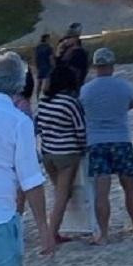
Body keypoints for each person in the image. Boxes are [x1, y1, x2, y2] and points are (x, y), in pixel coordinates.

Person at [0, 53, 54, 266]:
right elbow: (30, 178)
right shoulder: (18, 121)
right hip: (0, 216)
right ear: (19, 85)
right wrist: (44, 228)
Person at [80, 48, 133, 244]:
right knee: (130, 186)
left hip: (97, 142)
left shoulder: (86, 89)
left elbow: (82, 108)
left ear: (95, 66)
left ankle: (104, 234)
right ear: (112, 65)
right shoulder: (124, 86)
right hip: (121, 138)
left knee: (102, 190)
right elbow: (132, 104)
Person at [34, 64, 86, 244]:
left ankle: (53, 230)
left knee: (61, 192)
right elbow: (80, 129)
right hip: (67, 153)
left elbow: (38, 127)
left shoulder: (43, 102)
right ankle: (51, 234)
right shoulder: (70, 102)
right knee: (63, 195)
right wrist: (83, 148)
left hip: (48, 153)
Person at [34, 33, 54, 99]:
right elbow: (50, 58)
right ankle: (46, 96)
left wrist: (36, 66)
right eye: (49, 38)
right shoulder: (49, 47)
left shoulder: (38, 47)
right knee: (47, 82)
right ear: (46, 39)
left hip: (39, 66)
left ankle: (37, 97)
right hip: (47, 66)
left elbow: (36, 57)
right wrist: (53, 65)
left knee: (39, 83)